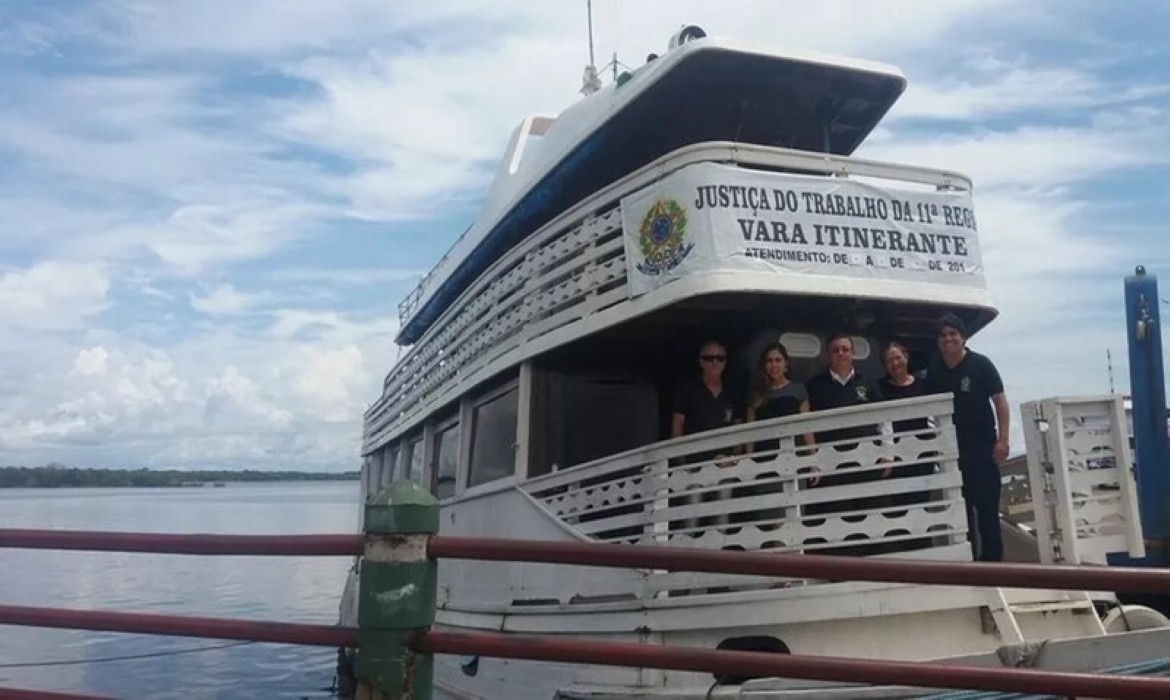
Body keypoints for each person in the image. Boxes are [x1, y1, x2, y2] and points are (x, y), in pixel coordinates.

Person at [922, 313, 1010, 562]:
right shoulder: (934, 369)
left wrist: (1003, 441)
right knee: (961, 510)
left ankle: (993, 563)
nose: (947, 339)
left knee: (987, 509)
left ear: (963, 337)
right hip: (952, 451)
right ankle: (969, 562)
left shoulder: (981, 365)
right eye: (943, 335)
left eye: (953, 334)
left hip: (983, 448)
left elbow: (1000, 403)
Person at [803, 332, 888, 536]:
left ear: (853, 352)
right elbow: (807, 426)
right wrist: (813, 461)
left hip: (866, 464)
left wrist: (887, 454)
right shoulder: (814, 385)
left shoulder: (868, 381)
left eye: (845, 349)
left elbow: (884, 419)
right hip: (831, 467)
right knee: (836, 526)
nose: (841, 353)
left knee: (870, 522)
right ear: (828, 355)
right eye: (835, 350)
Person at [877, 341, 937, 549]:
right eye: (889, 361)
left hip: (923, 457)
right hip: (897, 459)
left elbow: (933, 419)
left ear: (906, 357)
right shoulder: (880, 388)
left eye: (898, 358)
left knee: (921, 506)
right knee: (901, 509)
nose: (895, 363)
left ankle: (925, 553)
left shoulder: (924, 385)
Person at [745, 342, 814, 458]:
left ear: (785, 363)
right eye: (769, 361)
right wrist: (749, 460)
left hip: (793, 455)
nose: (774, 365)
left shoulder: (798, 390)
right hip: (764, 457)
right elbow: (750, 433)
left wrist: (813, 458)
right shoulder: (756, 395)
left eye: (778, 360)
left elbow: (807, 428)